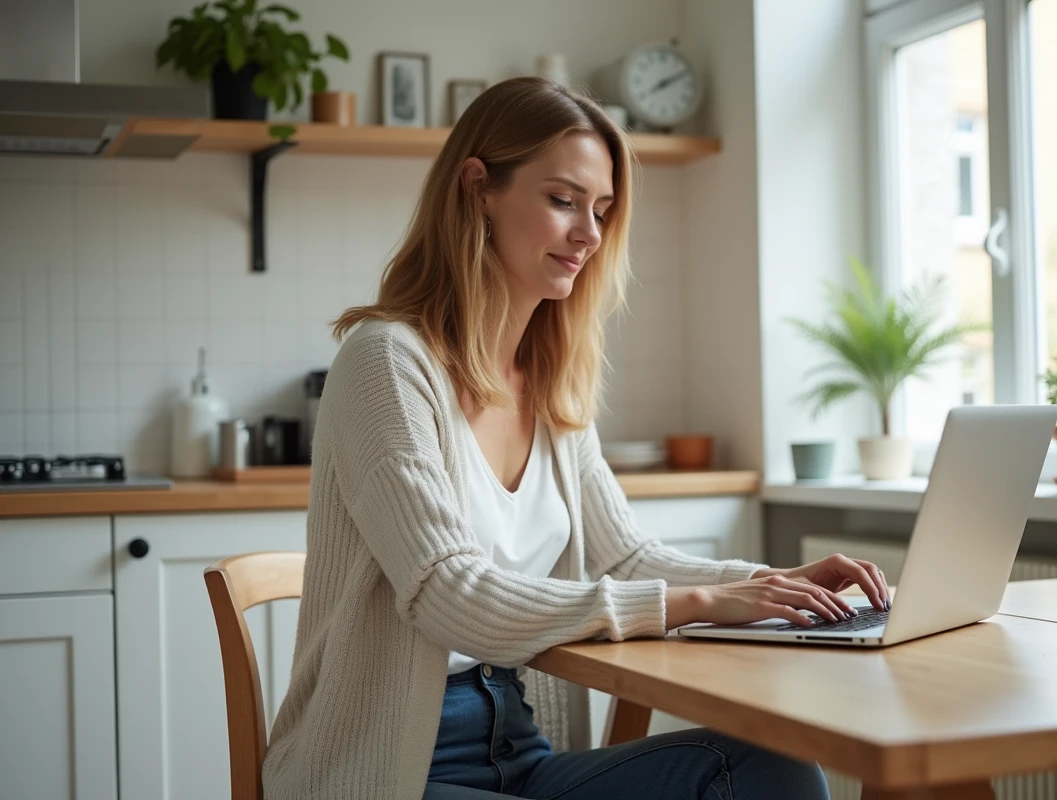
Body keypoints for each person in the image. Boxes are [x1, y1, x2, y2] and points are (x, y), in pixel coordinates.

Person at [262, 77, 891, 800]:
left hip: (522, 750)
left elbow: (624, 556)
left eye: (601, 210)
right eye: (563, 201)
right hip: (384, 768)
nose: (590, 235)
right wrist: (694, 604)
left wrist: (768, 587)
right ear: (477, 188)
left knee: (770, 769)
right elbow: (447, 592)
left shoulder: (549, 379)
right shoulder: (385, 362)